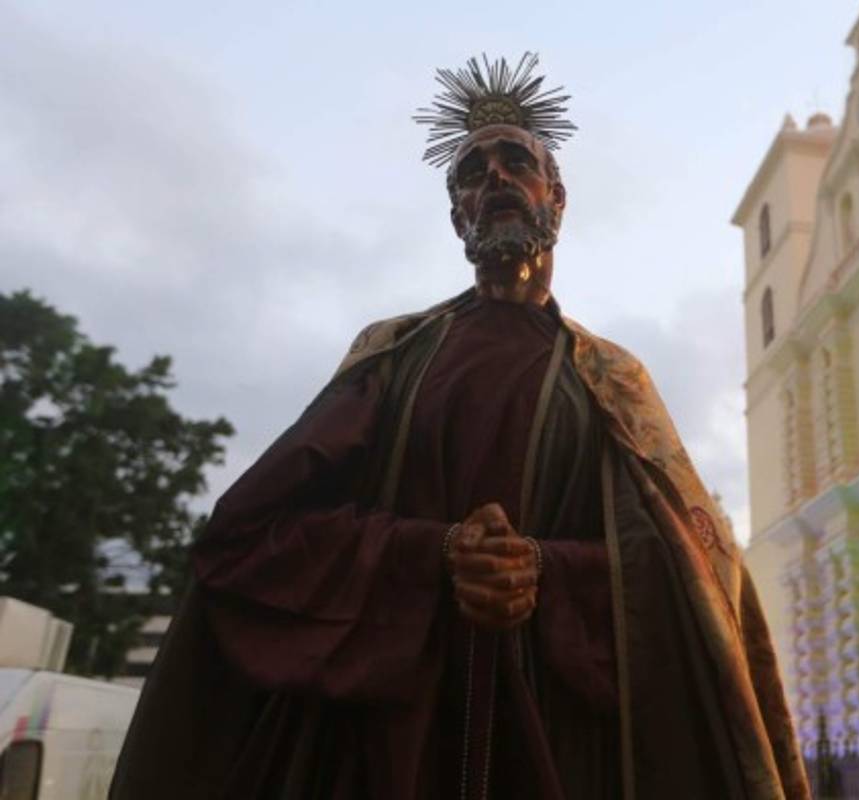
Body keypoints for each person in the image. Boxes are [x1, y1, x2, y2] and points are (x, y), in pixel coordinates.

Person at [110, 53, 809, 800]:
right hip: (393, 738)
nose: (496, 179)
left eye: (517, 162)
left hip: (565, 741)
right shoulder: (393, 356)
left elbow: (697, 574)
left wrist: (543, 568)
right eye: (473, 173)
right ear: (457, 217)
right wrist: (433, 555)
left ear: (557, 199)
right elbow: (252, 533)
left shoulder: (613, 380)